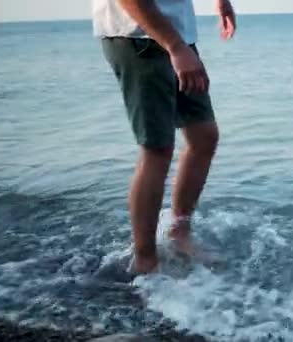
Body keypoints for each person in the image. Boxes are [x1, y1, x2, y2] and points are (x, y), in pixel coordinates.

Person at [92, 0, 236, 273]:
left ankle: (178, 233)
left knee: (203, 136)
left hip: (175, 35)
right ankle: (145, 259)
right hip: (140, 37)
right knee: (157, 148)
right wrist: (176, 47)